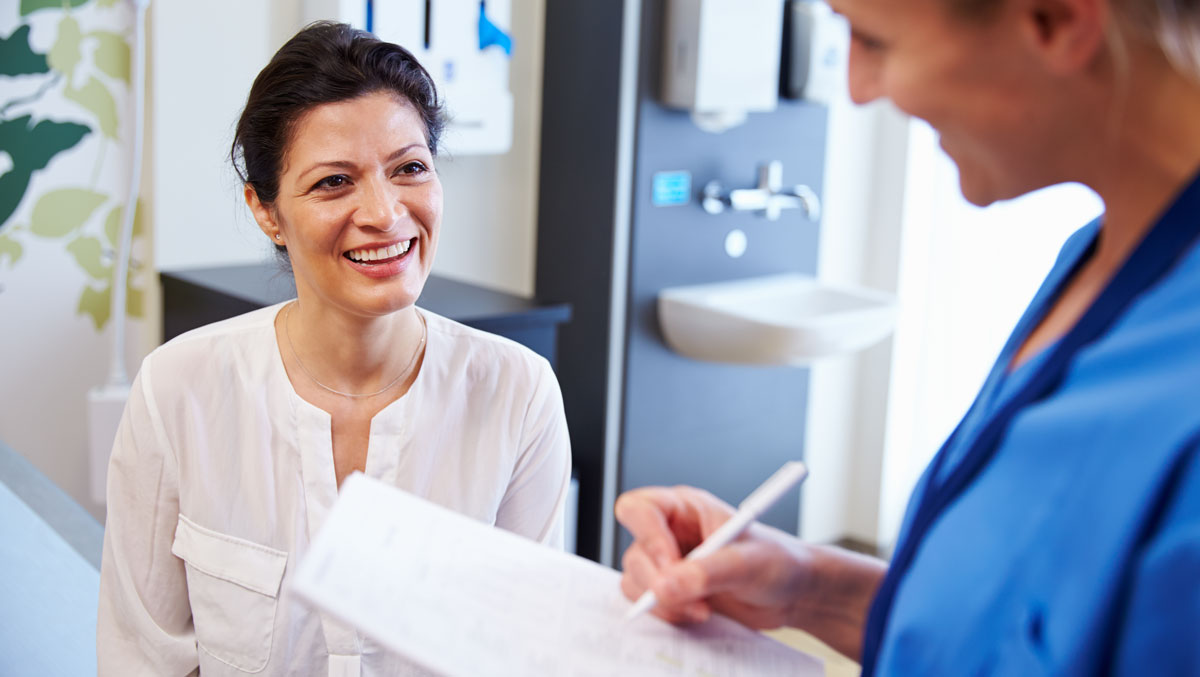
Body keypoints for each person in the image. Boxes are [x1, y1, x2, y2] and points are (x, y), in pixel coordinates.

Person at [617, 0, 1200, 674]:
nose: (858, 89)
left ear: (1056, 20)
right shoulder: (1099, 261)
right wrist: (810, 587)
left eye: (873, 41)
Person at [97, 22, 571, 676]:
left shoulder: (518, 393)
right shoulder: (178, 389)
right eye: (333, 182)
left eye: (409, 168)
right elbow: (141, 658)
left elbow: (530, 652)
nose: (383, 212)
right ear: (266, 211)